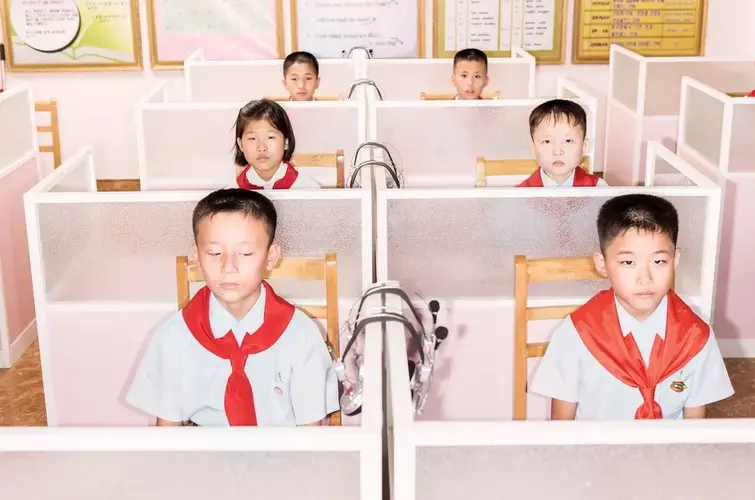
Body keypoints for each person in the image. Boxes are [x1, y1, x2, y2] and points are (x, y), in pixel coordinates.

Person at [127, 189, 339, 426]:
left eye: (246, 253)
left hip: (285, 458)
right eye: (215, 253)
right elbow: (168, 435)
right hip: (205, 459)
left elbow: (312, 438)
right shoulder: (174, 336)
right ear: (197, 256)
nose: (229, 266)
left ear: (270, 257)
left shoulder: (301, 335)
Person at [530, 194, 733, 420]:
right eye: (628, 262)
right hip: (595, 452)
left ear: (675, 260)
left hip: (666, 452)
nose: (644, 278)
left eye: (658, 262)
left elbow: (694, 422)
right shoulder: (577, 333)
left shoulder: (696, 337)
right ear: (602, 264)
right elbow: (561, 422)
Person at [233, 99, 320, 189]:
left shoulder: (307, 188)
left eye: (270, 137)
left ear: (286, 141)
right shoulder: (232, 191)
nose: (262, 147)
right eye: (252, 138)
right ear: (241, 144)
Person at [518, 99, 606, 187]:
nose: (558, 152)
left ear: (584, 146)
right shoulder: (520, 194)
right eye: (547, 141)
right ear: (533, 147)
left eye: (568, 141)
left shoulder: (599, 188)